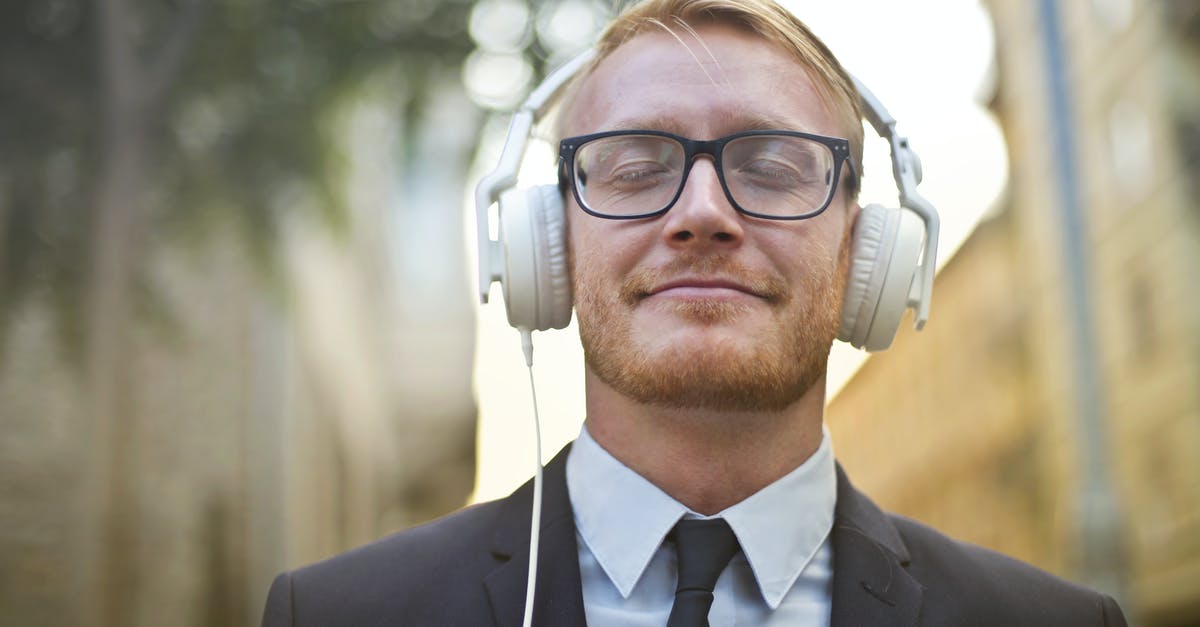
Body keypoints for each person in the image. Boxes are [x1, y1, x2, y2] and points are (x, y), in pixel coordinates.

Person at [261, 1, 1128, 625]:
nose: (703, 212)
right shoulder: (336, 612)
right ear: (547, 243)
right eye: (637, 165)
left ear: (866, 254)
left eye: (772, 165)